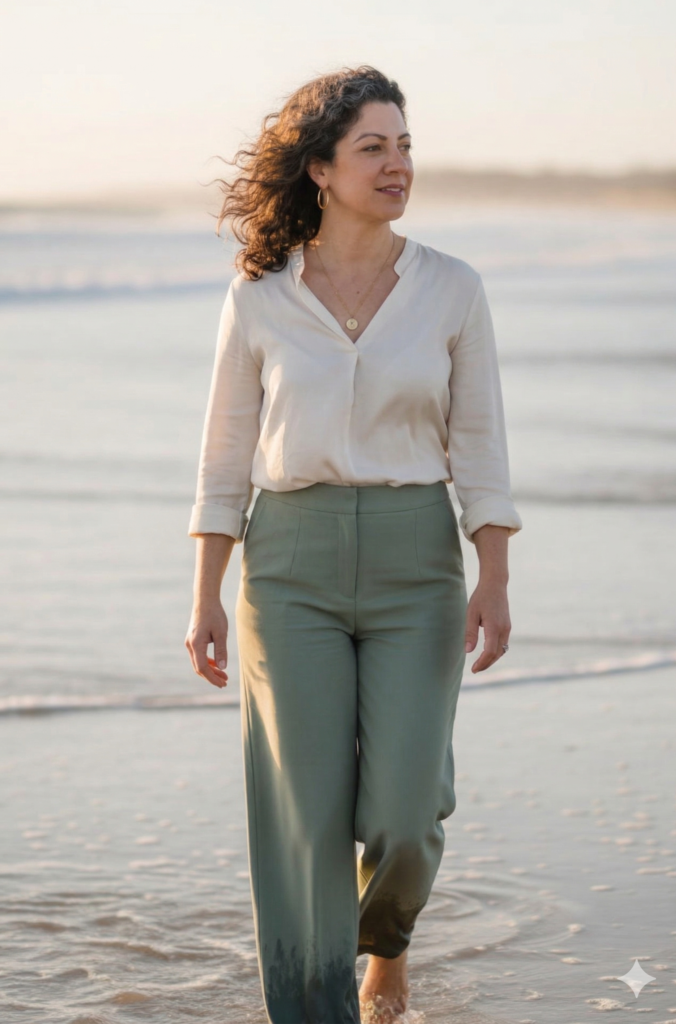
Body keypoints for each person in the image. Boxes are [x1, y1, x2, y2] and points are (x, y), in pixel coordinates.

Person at [185, 65, 522, 1024]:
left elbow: (483, 446)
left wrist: (493, 575)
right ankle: (312, 1007)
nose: (397, 164)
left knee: (405, 820)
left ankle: (387, 947)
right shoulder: (258, 299)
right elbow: (223, 461)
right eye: (373, 146)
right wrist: (205, 593)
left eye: (405, 144)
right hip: (287, 564)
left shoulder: (453, 289)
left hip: (417, 563)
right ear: (320, 170)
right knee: (307, 821)